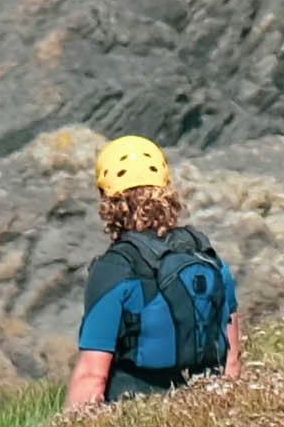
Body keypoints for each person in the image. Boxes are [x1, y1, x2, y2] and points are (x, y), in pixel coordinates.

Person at [66, 137, 242, 410]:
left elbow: (92, 376)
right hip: (208, 409)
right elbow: (232, 359)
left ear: (107, 200)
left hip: (139, 414)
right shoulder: (205, 254)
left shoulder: (115, 268)